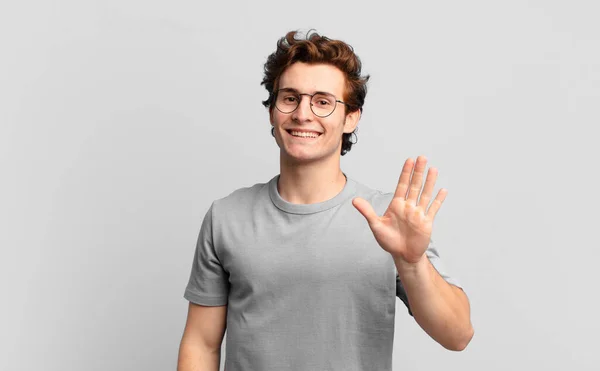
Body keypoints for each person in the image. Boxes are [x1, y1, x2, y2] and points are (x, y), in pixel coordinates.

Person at [177, 30, 474, 371]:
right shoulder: (227, 216)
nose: (303, 114)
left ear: (351, 117)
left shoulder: (389, 219)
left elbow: (458, 335)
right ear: (273, 112)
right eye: (290, 98)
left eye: (322, 101)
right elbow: (200, 344)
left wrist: (411, 262)